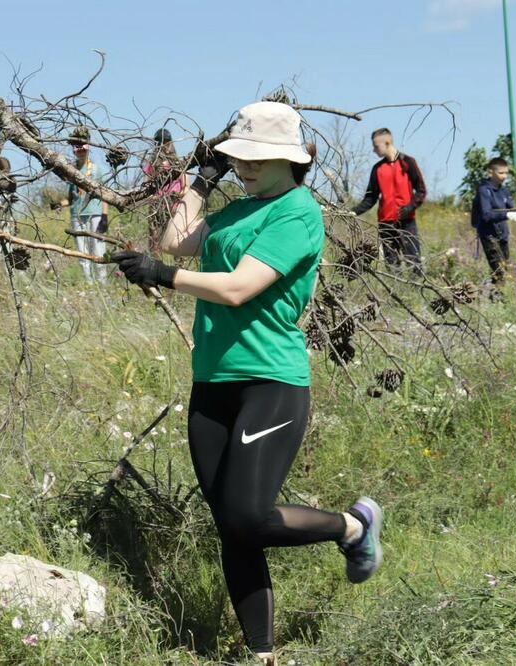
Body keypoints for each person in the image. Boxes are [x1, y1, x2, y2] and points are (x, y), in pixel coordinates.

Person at [110, 101, 383, 665]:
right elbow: (177, 239)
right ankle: (263, 654)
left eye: (258, 159)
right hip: (212, 381)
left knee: (247, 515)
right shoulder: (237, 209)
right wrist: (203, 181)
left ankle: (353, 527)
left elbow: (239, 287)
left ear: (293, 159)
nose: (247, 167)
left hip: (270, 382)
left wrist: (163, 277)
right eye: (238, 158)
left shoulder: (297, 213)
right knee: (232, 528)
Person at [352, 128, 427, 274]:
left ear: (387, 142)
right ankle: (395, 294)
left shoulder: (408, 163)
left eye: (376, 146)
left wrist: (409, 208)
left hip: (407, 223)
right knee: (392, 267)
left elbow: (421, 190)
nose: (374, 150)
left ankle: (416, 293)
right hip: (386, 225)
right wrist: (352, 212)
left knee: (414, 264)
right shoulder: (377, 169)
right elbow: (370, 198)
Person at [470, 157, 516, 291]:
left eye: (506, 173)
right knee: (499, 269)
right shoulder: (484, 190)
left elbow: (512, 209)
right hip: (489, 235)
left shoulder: (504, 191)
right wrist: (507, 215)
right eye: (501, 173)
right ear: (491, 172)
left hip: (503, 234)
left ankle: (496, 296)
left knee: (504, 267)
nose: (504, 176)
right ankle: (500, 299)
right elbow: (486, 215)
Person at [57, 132, 109, 284]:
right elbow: (72, 197)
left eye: (83, 147)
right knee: (82, 253)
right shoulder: (70, 171)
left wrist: (105, 217)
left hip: (95, 215)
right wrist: (60, 204)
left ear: (89, 148)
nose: (80, 151)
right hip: (77, 216)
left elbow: (105, 194)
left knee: (98, 251)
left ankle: (103, 286)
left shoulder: (97, 170)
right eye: (76, 148)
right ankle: (89, 285)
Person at [143, 128, 186, 256]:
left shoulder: (178, 163)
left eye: (166, 142)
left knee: (177, 239)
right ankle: (155, 266)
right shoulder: (153, 163)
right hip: (157, 206)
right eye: (159, 142)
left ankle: (180, 267)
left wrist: (177, 196)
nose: (163, 145)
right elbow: (147, 185)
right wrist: (153, 198)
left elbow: (185, 185)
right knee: (154, 241)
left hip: (174, 205)